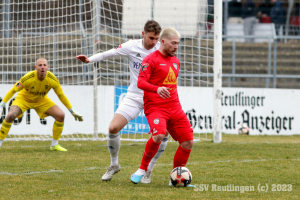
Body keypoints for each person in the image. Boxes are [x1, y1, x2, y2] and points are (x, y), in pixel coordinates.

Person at [76, 20, 169, 183]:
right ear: (143, 34)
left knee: (163, 133)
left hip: (154, 98)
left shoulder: (161, 50)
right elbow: (107, 54)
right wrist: (89, 60)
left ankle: (149, 169)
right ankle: (114, 165)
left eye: (156, 39)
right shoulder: (132, 46)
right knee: (113, 127)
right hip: (134, 96)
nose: (153, 42)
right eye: (151, 38)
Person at [130, 28, 194, 186]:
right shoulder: (150, 60)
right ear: (163, 41)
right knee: (158, 136)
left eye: (178, 44)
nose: (176, 46)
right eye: (173, 43)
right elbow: (140, 83)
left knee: (187, 142)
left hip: (175, 108)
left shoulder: (176, 62)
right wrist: (157, 88)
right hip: (156, 107)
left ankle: (176, 179)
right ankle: (142, 169)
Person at [0, 58, 83, 151]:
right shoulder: (27, 78)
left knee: (61, 115)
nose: (42, 67)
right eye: (40, 65)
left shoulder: (52, 79)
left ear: (48, 67)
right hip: (23, 99)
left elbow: (61, 95)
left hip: (41, 100)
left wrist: (72, 110)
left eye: (44, 65)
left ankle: (54, 145)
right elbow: (13, 90)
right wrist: (2, 103)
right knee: (11, 115)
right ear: (36, 67)